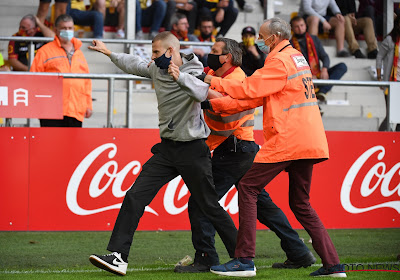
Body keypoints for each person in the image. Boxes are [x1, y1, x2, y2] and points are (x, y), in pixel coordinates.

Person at [202, 17, 346, 278]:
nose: (258, 41)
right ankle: (333, 265)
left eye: (261, 36)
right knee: (301, 203)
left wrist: (208, 81)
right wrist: (216, 104)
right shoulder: (295, 58)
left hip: (289, 138)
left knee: (247, 188)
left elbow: (248, 88)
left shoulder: (278, 61)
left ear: (275, 37)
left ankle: (244, 260)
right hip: (309, 139)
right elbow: (253, 99)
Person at [87, 31, 238, 276]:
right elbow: (135, 64)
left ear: (170, 51)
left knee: (209, 205)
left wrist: (177, 75)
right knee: (135, 196)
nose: (152, 57)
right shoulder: (157, 67)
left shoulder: (193, 69)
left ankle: (242, 257)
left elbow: (200, 92)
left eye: (156, 52)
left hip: (193, 149)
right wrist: (109, 52)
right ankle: (117, 256)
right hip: (168, 149)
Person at [174, 37, 316, 273]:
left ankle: (206, 258)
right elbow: (199, 74)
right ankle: (298, 252)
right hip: (242, 149)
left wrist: (205, 104)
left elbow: (228, 120)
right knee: (262, 206)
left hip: (234, 150)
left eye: (214, 51)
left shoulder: (238, 79)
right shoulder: (221, 75)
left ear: (227, 57)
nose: (210, 55)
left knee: (201, 202)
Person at [30, 14, 92, 127]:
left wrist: (88, 105)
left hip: (75, 110)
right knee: (51, 144)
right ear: (55, 30)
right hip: (51, 111)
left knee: (72, 145)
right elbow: (33, 78)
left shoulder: (79, 53)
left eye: (70, 28)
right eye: (64, 28)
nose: (67, 31)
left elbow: (86, 82)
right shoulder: (44, 51)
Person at [290, 16, 347, 103]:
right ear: (292, 28)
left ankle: (322, 92)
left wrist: (325, 69)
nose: (300, 29)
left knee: (342, 66)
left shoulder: (314, 39)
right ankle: (315, 101)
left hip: (318, 74)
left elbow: (324, 56)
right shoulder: (290, 44)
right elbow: (292, 67)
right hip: (301, 78)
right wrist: (307, 76)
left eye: (302, 25)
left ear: (306, 26)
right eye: (297, 27)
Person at [376, 16, 400, 132]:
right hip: (392, 83)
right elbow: (379, 57)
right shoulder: (390, 40)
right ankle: (381, 136)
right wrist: (379, 77)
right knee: (391, 114)